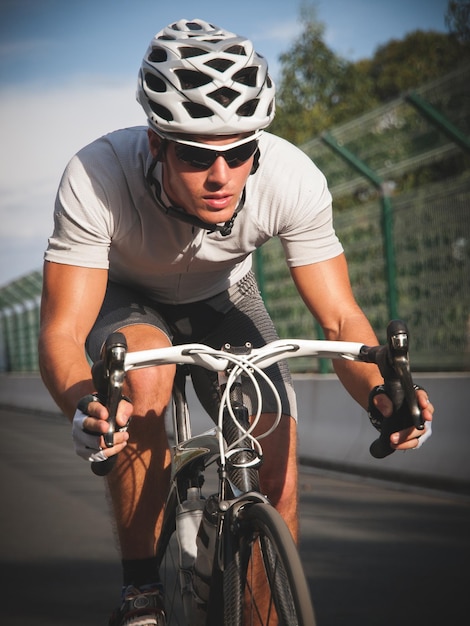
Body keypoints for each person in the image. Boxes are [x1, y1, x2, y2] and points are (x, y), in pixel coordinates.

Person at [38, 18, 434, 626]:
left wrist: (384, 393)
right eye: (197, 154)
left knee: (275, 448)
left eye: (239, 150)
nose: (221, 175)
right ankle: (143, 593)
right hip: (126, 295)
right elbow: (62, 331)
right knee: (143, 384)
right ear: (156, 143)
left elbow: (338, 319)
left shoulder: (291, 177)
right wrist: (85, 405)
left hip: (225, 295)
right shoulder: (97, 176)